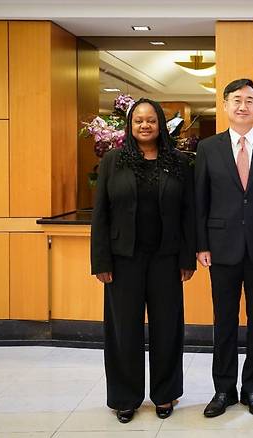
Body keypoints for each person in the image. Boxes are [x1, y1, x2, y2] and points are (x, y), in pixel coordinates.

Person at [91, 98, 196, 423]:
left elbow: (187, 214)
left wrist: (186, 257)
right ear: (130, 124)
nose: (145, 125)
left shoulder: (178, 162)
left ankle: (165, 394)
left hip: (166, 259)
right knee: (123, 330)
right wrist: (101, 261)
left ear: (160, 124)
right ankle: (126, 397)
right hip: (123, 260)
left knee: (168, 329)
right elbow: (101, 215)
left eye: (151, 120)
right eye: (139, 120)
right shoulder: (113, 161)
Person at [195, 78, 253, 418]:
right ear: (225, 105)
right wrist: (201, 243)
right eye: (236, 100)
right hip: (221, 247)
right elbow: (200, 200)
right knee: (224, 321)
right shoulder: (208, 148)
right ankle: (223, 390)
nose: (242, 106)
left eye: (249, 100)